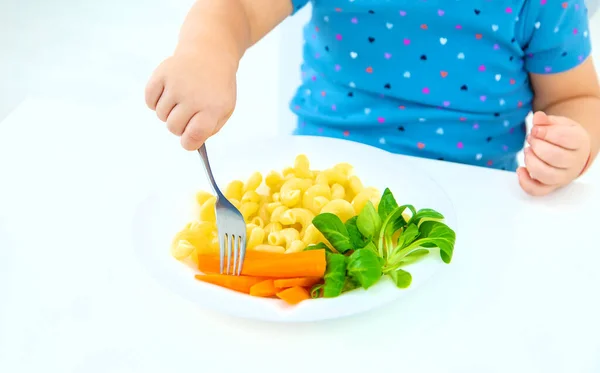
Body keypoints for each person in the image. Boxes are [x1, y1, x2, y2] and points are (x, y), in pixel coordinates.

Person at [145, 0, 600, 196]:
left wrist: (572, 145)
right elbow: (238, 9)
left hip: (473, 201)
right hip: (322, 184)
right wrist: (207, 51)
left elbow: (577, 96)